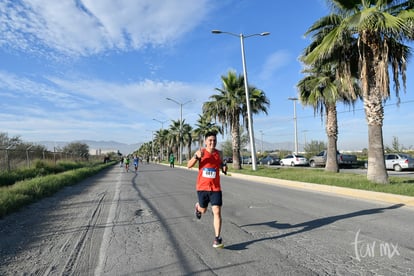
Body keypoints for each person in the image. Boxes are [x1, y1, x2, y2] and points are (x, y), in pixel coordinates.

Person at [187, 131, 227, 248]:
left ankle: (217, 238)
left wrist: (224, 168)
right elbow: (189, 165)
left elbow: (220, 165)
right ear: (205, 141)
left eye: (214, 140)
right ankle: (198, 207)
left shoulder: (219, 153)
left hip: (215, 188)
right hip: (202, 187)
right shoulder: (201, 152)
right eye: (210, 140)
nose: (212, 142)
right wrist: (195, 157)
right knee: (203, 210)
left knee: (217, 211)